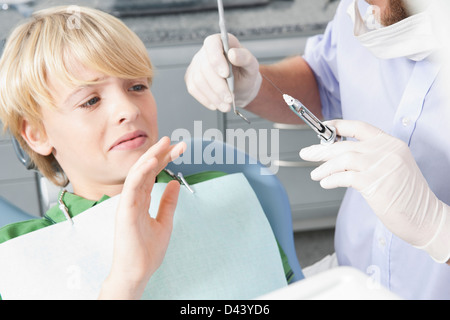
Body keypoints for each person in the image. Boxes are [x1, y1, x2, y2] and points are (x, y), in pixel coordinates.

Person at [0, 6, 292, 299]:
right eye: (90, 101)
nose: (128, 109)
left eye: (137, 86)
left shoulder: (226, 192)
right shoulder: (15, 255)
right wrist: (126, 282)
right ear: (36, 134)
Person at [185, 0, 450, 299]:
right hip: (352, 276)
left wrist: (438, 230)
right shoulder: (364, 9)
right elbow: (325, 78)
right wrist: (254, 86)